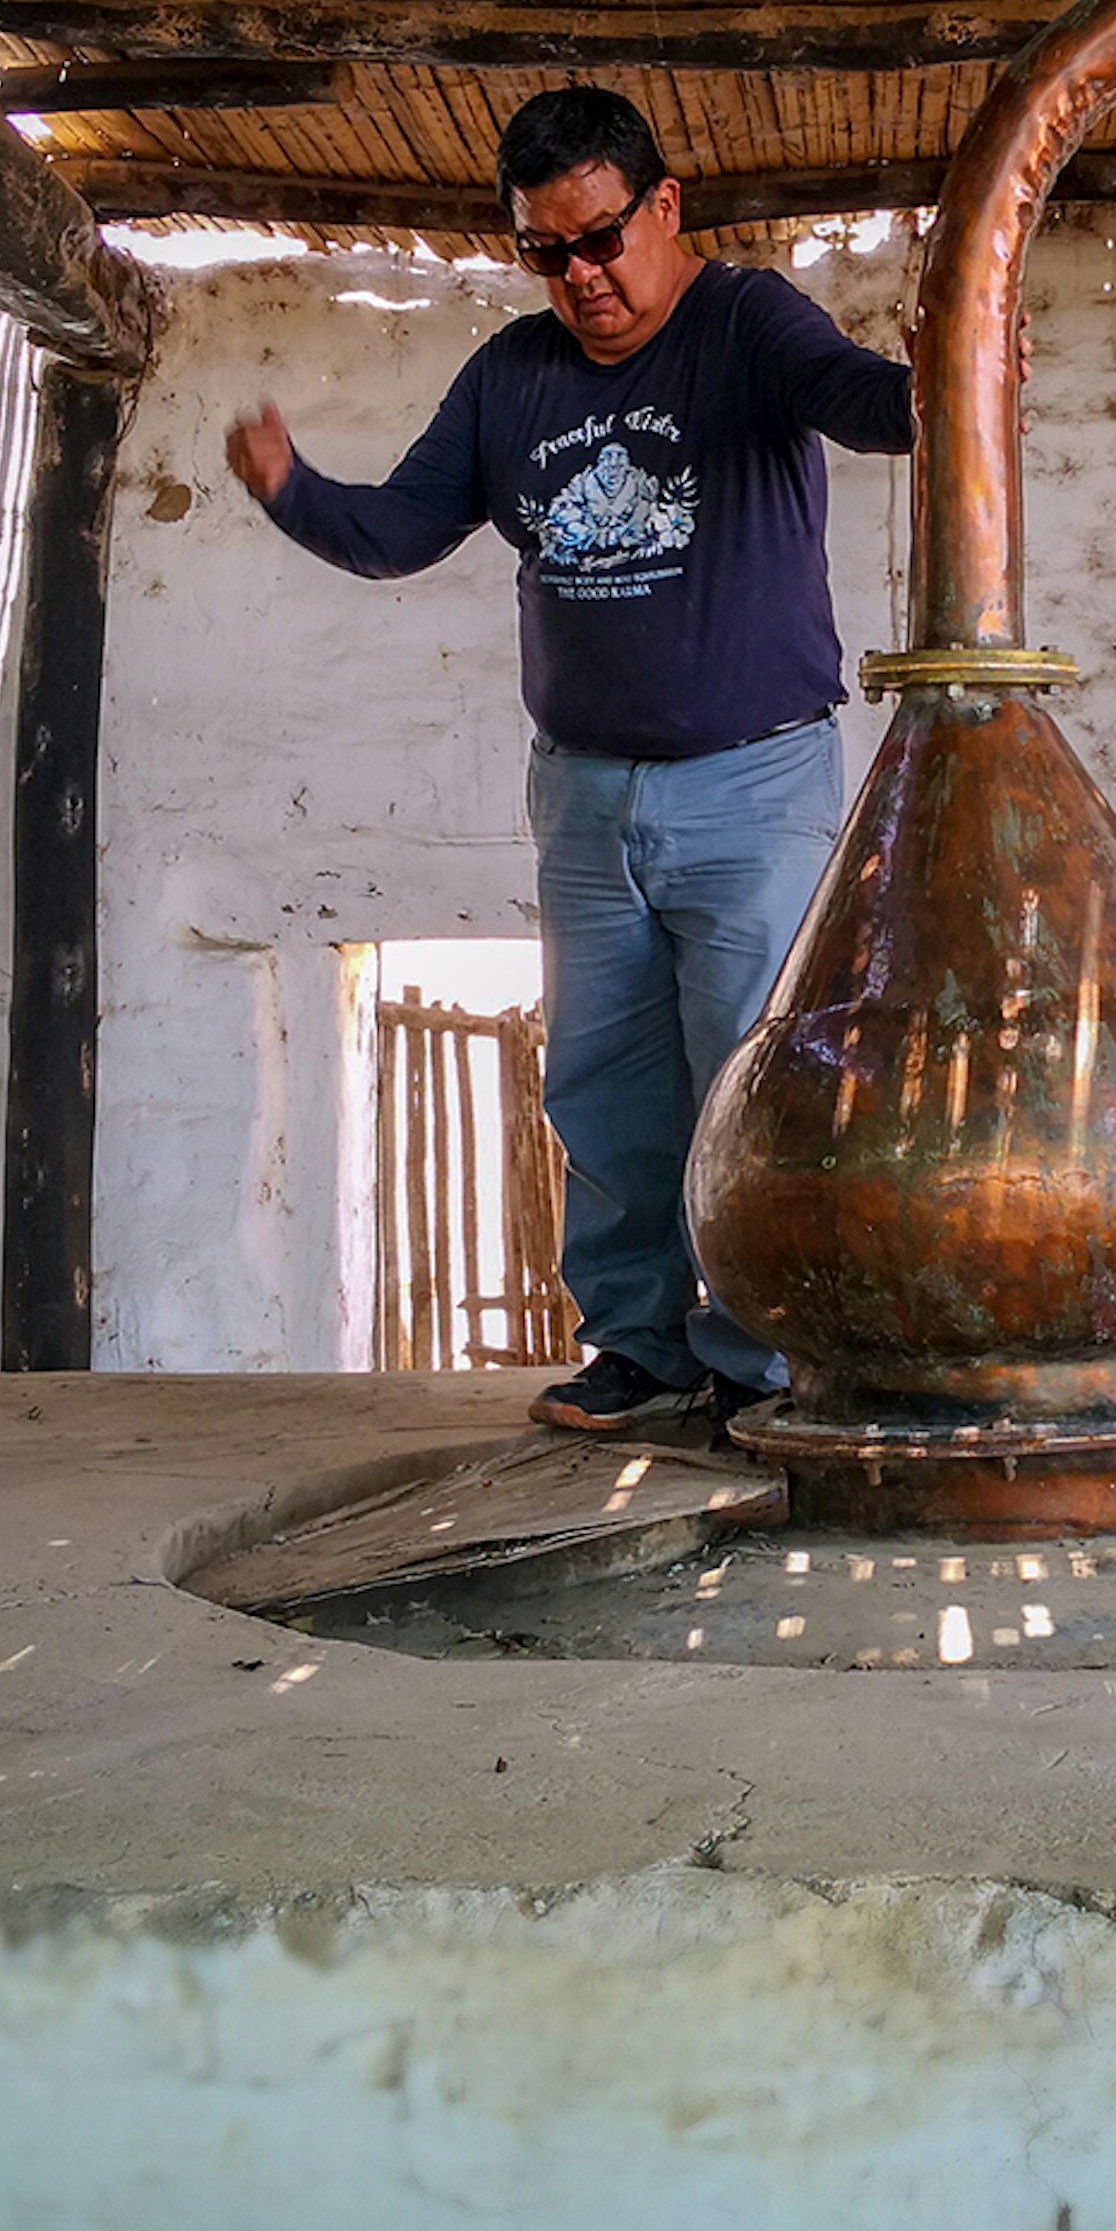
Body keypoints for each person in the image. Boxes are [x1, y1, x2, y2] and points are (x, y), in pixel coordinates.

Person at [226, 86, 912, 1432]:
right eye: (549, 251)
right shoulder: (512, 378)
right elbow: (400, 531)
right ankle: (641, 1351)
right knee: (602, 1083)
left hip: (753, 783)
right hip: (584, 796)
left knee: (753, 1082)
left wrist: (942, 376)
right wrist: (292, 490)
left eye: (602, 238)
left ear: (663, 208)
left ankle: (765, 1366)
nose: (583, 277)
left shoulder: (746, 321)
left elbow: (863, 404)